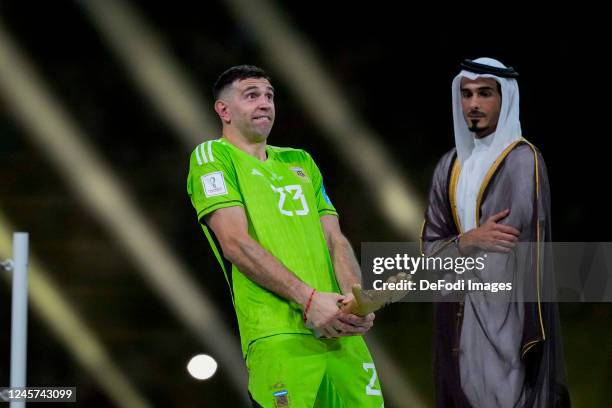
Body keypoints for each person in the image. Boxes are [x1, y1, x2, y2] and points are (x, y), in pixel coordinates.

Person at [186, 65, 383, 407]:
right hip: (277, 334)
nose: (265, 103)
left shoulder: (301, 161)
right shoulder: (212, 157)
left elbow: (335, 238)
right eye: (252, 95)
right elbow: (234, 242)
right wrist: (308, 299)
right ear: (223, 110)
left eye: (269, 96)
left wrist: (355, 299)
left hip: (339, 333)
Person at [421, 58, 570, 407]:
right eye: (466, 94)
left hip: (508, 316)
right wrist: (470, 240)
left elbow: (506, 242)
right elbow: (429, 253)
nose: (473, 104)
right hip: (457, 313)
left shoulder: (522, 160)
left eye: (485, 93)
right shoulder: (450, 166)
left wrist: (457, 249)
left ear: (505, 99)